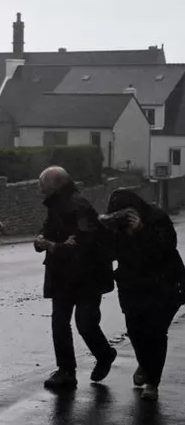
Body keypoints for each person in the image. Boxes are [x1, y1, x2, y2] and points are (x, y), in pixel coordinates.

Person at [34, 166, 117, 390]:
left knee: (86, 322)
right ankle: (66, 371)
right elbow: (48, 233)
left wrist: (53, 245)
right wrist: (42, 241)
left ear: (56, 185)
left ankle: (105, 354)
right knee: (60, 323)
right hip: (62, 275)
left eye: (43, 184)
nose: (40, 189)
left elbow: (83, 247)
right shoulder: (55, 206)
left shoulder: (79, 207)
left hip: (88, 276)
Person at [99, 188, 185, 401]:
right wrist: (107, 231)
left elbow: (167, 247)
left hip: (164, 284)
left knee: (155, 333)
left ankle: (153, 382)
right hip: (131, 285)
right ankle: (146, 364)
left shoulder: (157, 217)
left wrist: (141, 231)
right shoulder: (116, 227)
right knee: (135, 331)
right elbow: (109, 254)